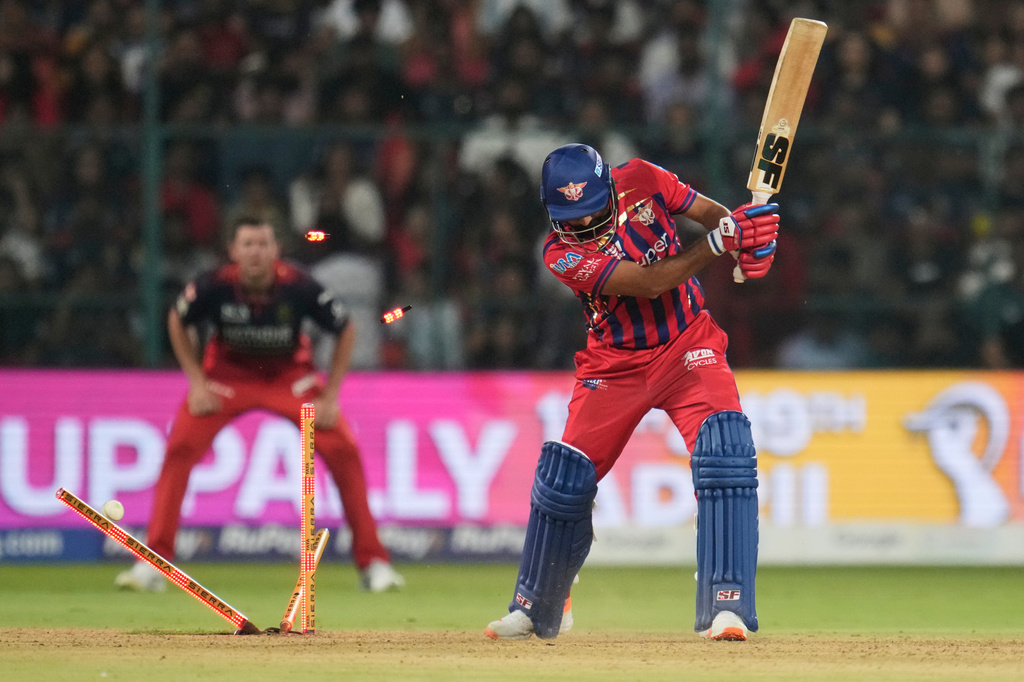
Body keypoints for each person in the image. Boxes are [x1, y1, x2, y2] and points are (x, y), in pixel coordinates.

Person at [483, 143, 779, 642]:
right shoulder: (559, 255)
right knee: (565, 476)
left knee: (726, 449)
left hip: (687, 343)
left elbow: (712, 214)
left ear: (609, 187)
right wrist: (718, 244)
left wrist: (746, 240)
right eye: (571, 217)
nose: (583, 224)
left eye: (591, 210)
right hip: (614, 363)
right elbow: (649, 283)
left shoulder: (643, 177)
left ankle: (727, 605)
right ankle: (539, 603)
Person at [115, 216, 404, 593]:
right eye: (248, 244)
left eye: (263, 244)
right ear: (233, 251)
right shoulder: (214, 284)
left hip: (289, 377)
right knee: (180, 448)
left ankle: (375, 563)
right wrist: (197, 382)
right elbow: (177, 318)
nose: (256, 252)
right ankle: (153, 563)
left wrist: (331, 396)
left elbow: (345, 328)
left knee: (344, 451)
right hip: (226, 378)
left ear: (276, 250)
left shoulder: (299, 285)